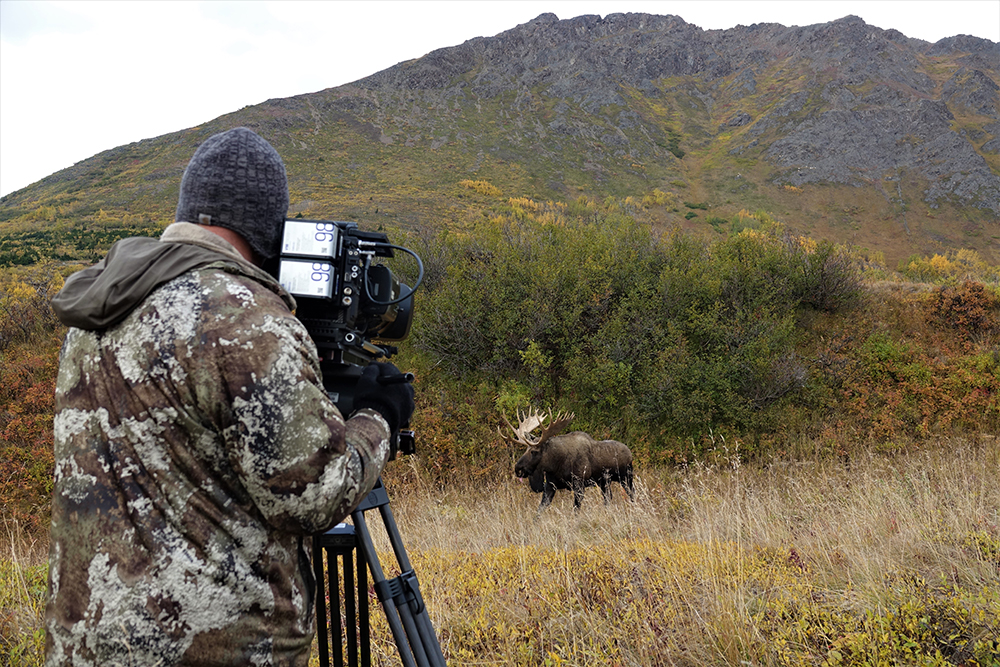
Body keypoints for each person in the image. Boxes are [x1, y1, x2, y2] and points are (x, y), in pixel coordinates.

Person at [44, 127, 414, 666]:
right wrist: (376, 416)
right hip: (208, 647)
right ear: (267, 228)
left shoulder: (98, 311)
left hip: (85, 643)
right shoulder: (244, 320)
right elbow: (312, 495)